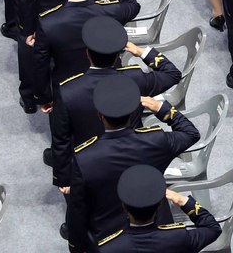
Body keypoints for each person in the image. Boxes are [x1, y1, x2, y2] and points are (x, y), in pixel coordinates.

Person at [66, 78, 200, 252]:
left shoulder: (84, 156)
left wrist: (75, 246)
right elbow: (191, 133)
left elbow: (78, 209)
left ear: (100, 116)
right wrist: (162, 108)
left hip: (107, 234)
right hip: (155, 223)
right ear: (133, 114)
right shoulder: (156, 141)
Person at [49, 17, 183, 191]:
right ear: (119, 54)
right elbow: (172, 74)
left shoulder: (68, 90)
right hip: (133, 152)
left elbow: (61, 138)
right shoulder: (135, 78)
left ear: (87, 53)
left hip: (90, 157)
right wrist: (140, 52)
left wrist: (63, 178)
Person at [101, 164, 222, 251]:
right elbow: (213, 228)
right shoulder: (179, 237)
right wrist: (183, 200)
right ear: (159, 205)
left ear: (124, 206)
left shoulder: (107, 247)